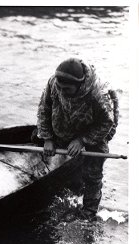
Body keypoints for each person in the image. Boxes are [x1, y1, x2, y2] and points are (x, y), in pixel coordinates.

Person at [36, 58, 119, 220]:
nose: (61, 91)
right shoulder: (54, 83)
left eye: (66, 89)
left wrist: (82, 141)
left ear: (79, 85)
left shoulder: (98, 94)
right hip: (65, 120)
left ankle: (88, 212)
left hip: (93, 129)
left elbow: (106, 123)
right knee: (38, 137)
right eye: (60, 87)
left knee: (93, 174)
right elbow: (44, 108)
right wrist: (47, 138)